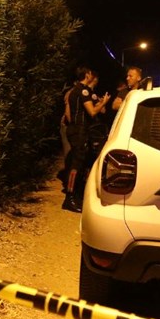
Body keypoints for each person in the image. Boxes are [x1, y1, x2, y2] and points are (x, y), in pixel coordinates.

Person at [62, 66, 111, 212]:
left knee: (83, 162)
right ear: (87, 75)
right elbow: (92, 111)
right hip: (79, 130)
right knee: (76, 165)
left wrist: (100, 103)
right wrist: (104, 102)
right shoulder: (82, 90)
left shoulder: (81, 90)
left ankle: (76, 195)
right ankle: (69, 197)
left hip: (80, 130)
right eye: (90, 73)